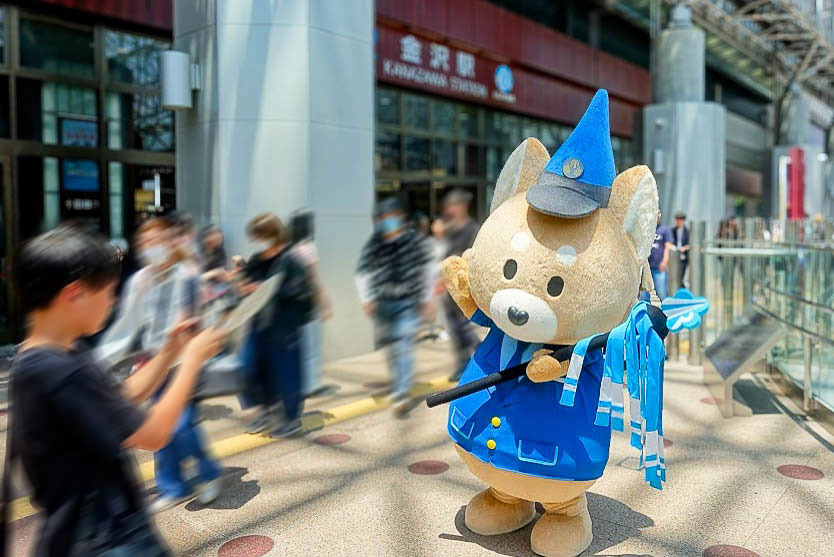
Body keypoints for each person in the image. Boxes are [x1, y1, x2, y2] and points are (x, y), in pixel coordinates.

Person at [9, 223, 225, 555]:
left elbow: (119, 398)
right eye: (109, 292)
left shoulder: (56, 353)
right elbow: (153, 435)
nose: (113, 301)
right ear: (75, 294)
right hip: (103, 539)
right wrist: (193, 359)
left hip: (102, 530)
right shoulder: (55, 370)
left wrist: (171, 351)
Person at [96, 215, 224, 514]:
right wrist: (103, 359)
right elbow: (127, 324)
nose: (149, 247)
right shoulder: (141, 280)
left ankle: (208, 471)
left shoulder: (189, 275)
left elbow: (206, 315)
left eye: (156, 241)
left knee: (180, 427)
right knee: (158, 426)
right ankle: (172, 486)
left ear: (170, 242)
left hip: (185, 363)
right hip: (154, 364)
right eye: (145, 242)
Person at [239, 213, 315, 437]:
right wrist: (241, 278)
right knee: (248, 367)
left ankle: (291, 419)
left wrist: (264, 289)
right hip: (258, 324)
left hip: (284, 327)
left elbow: (299, 290)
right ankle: (263, 409)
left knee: (287, 373)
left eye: (261, 235)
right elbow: (248, 284)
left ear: (273, 234)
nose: (258, 241)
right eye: (256, 236)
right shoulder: (256, 259)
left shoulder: (290, 260)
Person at [355, 197, 432, 408]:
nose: (386, 221)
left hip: (407, 303)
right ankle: (399, 382)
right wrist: (366, 298)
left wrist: (426, 299)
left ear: (400, 216)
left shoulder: (413, 240)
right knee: (391, 348)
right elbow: (362, 271)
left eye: (390, 217)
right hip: (383, 304)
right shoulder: (376, 241)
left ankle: (401, 392)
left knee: (403, 345)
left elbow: (426, 270)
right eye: (382, 218)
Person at [288, 208, 334, 398]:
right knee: (313, 345)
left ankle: (299, 384)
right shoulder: (308, 248)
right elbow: (314, 280)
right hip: (308, 305)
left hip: (294, 305)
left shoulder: (290, 249)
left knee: (301, 345)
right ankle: (311, 386)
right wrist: (324, 303)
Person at [440, 189, 480, 381]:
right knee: (457, 331)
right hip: (449, 291)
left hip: (461, 290)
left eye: (452, 205)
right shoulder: (450, 229)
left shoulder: (472, 230)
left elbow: (468, 260)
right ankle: (464, 361)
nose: (449, 209)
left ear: (462, 206)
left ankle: (476, 357)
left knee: (462, 329)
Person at [648, 212, 674, 300]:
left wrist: (665, 261)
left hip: (659, 267)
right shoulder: (646, 229)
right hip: (647, 268)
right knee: (644, 295)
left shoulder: (665, 229)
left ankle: (664, 312)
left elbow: (668, 247)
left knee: (662, 293)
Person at [673, 211, 690, 288]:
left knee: (682, 277)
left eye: (680, 220)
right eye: (677, 219)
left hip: (684, 257)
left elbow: (690, 244)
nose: (679, 221)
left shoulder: (688, 231)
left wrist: (685, 248)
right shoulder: (672, 231)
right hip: (674, 256)